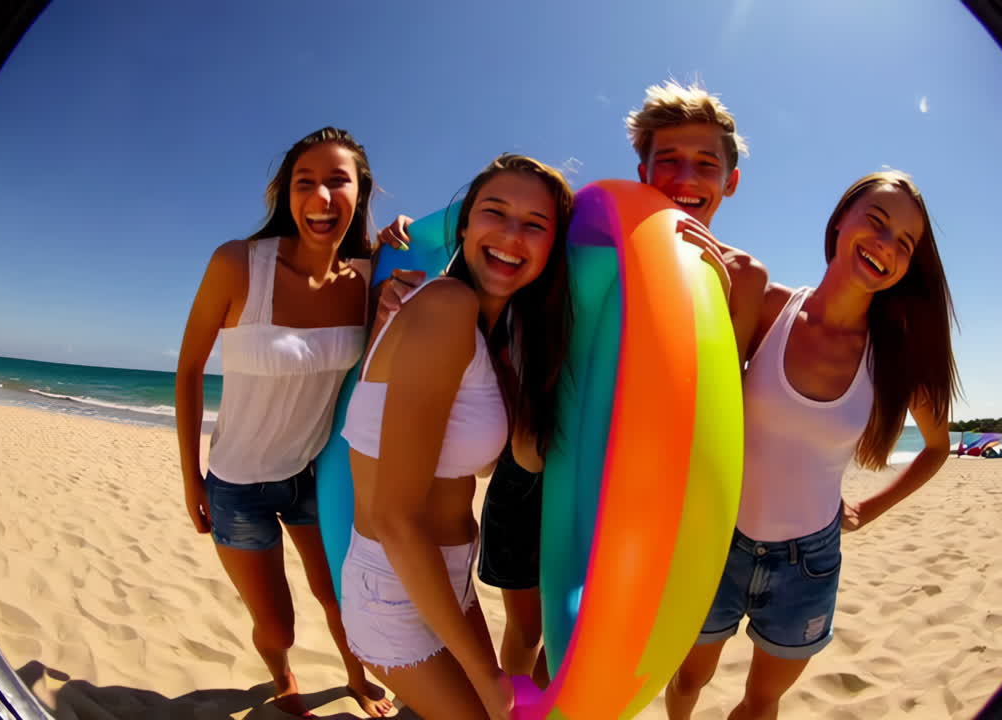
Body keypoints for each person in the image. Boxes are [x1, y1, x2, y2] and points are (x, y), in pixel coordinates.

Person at [373, 80, 767, 687]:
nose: (686, 176)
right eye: (668, 161)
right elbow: (497, 234)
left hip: (630, 479)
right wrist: (404, 252)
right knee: (527, 631)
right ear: (643, 171)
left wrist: (708, 294)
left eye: (706, 164)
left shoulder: (741, 274)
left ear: (730, 181)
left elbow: (721, 392)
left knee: (593, 637)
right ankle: (510, 699)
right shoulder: (596, 230)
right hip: (527, 471)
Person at [665, 170, 961, 720]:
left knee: (762, 701)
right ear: (840, 221)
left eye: (904, 244)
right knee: (688, 677)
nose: (885, 246)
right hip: (718, 544)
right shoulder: (768, 308)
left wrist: (868, 510)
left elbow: (937, 447)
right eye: (875, 222)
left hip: (808, 565)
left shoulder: (893, 361)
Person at [339, 154, 575, 720]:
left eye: (536, 225)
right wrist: (487, 674)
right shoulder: (446, 305)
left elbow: (524, 458)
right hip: (395, 585)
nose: (512, 236)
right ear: (464, 225)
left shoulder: (487, 335)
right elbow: (395, 516)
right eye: (495, 212)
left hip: (447, 582)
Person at [175, 128, 393, 718]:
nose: (321, 196)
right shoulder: (238, 264)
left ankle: (356, 677)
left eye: (338, 180)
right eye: (306, 182)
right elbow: (190, 368)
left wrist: (401, 246)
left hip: (314, 474)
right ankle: (282, 677)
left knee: (339, 597)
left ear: (359, 191)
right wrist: (192, 480)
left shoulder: (368, 278)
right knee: (278, 625)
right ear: (287, 194)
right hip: (237, 484)